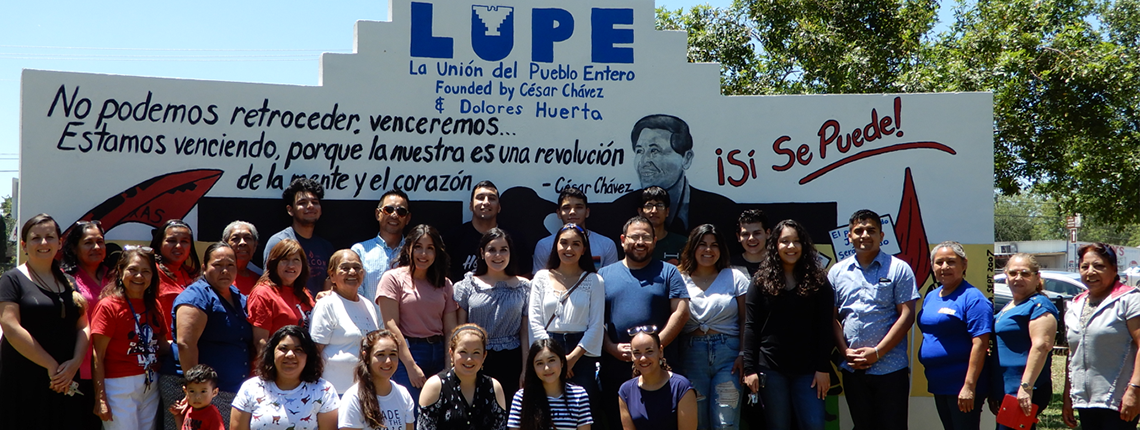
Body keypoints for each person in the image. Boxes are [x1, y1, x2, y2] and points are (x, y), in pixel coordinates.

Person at [829, 209, 919, 430]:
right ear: (849, 236)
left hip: (890, 368)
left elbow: (907, 316)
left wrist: (878, 352)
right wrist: (845, 351)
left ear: (881, 235)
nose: (865, 235)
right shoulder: (837, 272)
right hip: (853, 369)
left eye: (871, 230)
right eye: (858, 231)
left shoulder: (899, 268)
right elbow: (831, 318)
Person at [0, 214, 91, 429]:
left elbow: (84, 325)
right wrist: (52, 366)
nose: (43, 243)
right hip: (24, 379)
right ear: (24, 245)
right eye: (36, 238)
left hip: (64, 380)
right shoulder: (11, 280)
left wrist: (75, 363)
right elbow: (11, 328)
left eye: (50, 237)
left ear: (59, 243)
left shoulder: (69, 282)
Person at [743, 219, 834, 430]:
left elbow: (825, 327)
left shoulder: (819, 281)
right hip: (771, 369)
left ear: (804, 245)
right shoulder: (760, 281)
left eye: (796, 241)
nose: (791, 247)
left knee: (814, 425)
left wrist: (822, 368)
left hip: (809, 372)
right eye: (785, 241)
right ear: (775, 245)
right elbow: (751, 326)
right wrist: (749, 369)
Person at [601, 216, 690, 430]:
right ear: (623, 240)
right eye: (634, 237)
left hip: (661, 371)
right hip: (617, 369)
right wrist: (609, 347)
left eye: (646, 237)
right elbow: (593, 320)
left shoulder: (669, 272)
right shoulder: (603, 275)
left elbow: (681, 311)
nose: (640, 242)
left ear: (655, 240)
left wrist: (654, 349)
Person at [160, 242, 253, 430]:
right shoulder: (196, 296)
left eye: (230, 265)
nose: (225, 271)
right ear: (204, 267)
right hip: (195, 392)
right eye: (218, 265)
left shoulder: (237, 296)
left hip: (224, 391)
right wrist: (194, 392)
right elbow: (186, 344)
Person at [528, 223, 605, 421]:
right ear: (556, 246)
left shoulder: (595, 280)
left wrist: (571, 359)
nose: (568, 249)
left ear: (584, 249)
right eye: (563, 243)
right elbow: (534, 321)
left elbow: (596, 325)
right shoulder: (541, 277)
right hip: (547, 348)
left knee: (581, 412)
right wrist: (555, 357)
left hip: (581, 352)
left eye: (575, 244)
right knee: (545, 409)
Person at [676, 224, 749, 430]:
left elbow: (746, 320)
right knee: (696, 422)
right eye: (702, 244)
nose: (708, 250)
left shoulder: (735, 277)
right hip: (691, 355)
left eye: (714, 245)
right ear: (692, 247)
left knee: (725, 423)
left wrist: (743, 353)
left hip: (729, 356)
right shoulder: (679, 278)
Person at [92, 246, 171, 430]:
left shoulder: (154, 305)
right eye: (133, 270)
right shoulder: (108, 306)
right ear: (120, 271)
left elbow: (162, 345)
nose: (139, 276)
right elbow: (98, 355)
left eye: (145, 271)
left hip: (151, 384)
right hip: (119, 386)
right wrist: (100, 397)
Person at [377, 224, 458, 403]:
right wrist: (411, 365)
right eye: (419, 247)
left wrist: (449, 366)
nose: (424, 254)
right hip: (409, 351)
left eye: (430, 249)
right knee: (411, 411)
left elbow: (451, 329)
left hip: (439, 351)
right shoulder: (392, 278)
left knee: (438, 413)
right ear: (409, 249)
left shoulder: (444, 284)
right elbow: (391, 325)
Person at [1062, 243, 1140, 429]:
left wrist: (1135, 390)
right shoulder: (1075, 304)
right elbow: (1073, 354)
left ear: (1114, 269)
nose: (1091, 272)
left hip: (1119, 400)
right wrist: (1068, 397)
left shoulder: (1129, 299)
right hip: (1086, 400)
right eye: (1084, 267)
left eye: (1099, 266)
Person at [917, 241, 993, 430]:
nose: (944, 267)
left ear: (964, 264)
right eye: (939, 262)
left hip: (961, 385)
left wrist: (968, 386)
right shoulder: (932, 296)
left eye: (951, 262)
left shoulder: (973, 299)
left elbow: (980, 345)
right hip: (939, 383)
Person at [454, 228, 531, 395]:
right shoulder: (467, 285)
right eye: (492, 250)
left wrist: (526, 369)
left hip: (512, 360)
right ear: (482, 253)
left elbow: (525, 332)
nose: (498, 255)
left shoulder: (523, 287)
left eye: (503, 250)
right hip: (475, 358)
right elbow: (459, 330)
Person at [989, 253, 1057, 430]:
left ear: (1037, 277)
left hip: (1024, 388)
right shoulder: (1012, 304)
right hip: (1006, 389)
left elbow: (1041, 346)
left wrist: (1025, 387)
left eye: (1025, 273)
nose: (1018, 278)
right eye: (1013, 273)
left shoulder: (1039, 305)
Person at [231, 325, 339, 430]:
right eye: (284, 348)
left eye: (298, 350)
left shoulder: (324, 390)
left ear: (308, 356)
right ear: (272, 353)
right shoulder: (250, 388)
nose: (290, 355)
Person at [61, 218, 112, 426]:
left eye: (100, 242)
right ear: (74, 248)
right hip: (79, 368)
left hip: (114, 369)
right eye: (88, 242)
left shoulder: (114, 276)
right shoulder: (65, 279)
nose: (96, 247)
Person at [310, 250, 381, 395]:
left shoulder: (368, 305)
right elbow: (314, 352)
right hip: (334, 393)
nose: (352, 272)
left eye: (357, 267)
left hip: (365, 391)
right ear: (332, 275)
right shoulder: (327, 304)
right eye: (345, 268)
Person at [417, 324, 508, 430]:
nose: (469, 359)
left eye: (476, 353)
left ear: (484, 356)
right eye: (463, 352)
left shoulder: (494, 388)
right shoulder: (435, 386)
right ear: (451, 354)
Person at [264, 177, 335, 297]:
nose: (310, 206)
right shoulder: (279, 242)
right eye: (302, 203)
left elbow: (330, 283)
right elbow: (269, 285)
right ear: (290, 210)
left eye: (315, 202)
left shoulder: (326, 246)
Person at [448, 181, 532, 281]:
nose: (486, 202)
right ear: (470, 206)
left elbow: (525, 277)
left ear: (499, 207)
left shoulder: (515, 239)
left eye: (492, 198)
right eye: (480, 198)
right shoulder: (453, 238)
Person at [618, 327, 698, 430]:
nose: (643, 358)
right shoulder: (625, 391)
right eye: (637, 353)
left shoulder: (681, 387)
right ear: (632, 356)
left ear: (660, 352)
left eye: (649, 351)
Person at [507, 339, 593, 430]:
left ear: (562, 362)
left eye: (551, 360)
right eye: (540, 363)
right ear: (533, 368)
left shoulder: (579, 395)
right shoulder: (521, 398)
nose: (547, 368)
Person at [339, 330, 415, 430]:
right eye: (380, 355)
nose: (388, 361)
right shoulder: (353, 398)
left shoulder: (403, 394)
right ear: (366, 357)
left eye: (393, 354)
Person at [532, 187, 619, 274]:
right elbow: (540, 282)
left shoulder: (606, 244)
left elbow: (610, 281)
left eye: (579, 207)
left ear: (587, 212)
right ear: (558, 213)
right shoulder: (544, 245)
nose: (572, 212)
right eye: (566, 208)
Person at [248, 239, 315, 353]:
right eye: (285, 260)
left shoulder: (304, 293)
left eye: (296, 260)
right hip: (276, 367)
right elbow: (260, 342)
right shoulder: (263, 293)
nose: (291, 265)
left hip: (299, 365)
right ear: (274, 263)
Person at [353, 189, 411, 303]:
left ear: (407, 218)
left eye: (401, 212)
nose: (394, 215)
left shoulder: (415, 252)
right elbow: (354, 294)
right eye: (388, 210)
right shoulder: (360, 251)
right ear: (377, 214)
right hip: (367, 320)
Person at [151, 219, 201, 330]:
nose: (178, 246)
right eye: (172, 240)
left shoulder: (194, 275)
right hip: (160, 344)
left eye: (184, 241)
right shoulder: (150, 272)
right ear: (159, 244)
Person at [638, 186, 688, 265]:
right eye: (649, 206)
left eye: (659, 205)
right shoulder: (635, 243)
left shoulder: (682, 243)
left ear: (667, 211)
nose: (654, 211)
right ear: (640, 212)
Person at [170, 364, 226, 430]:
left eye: (203, 391)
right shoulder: (190, 410)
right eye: (192, 391)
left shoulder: (212, 415)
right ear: (185, 391)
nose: (197, 397)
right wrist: (178, 416)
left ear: (214, 392)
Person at [223, 221, 261, 295]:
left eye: (247, 238)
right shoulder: (217, 276)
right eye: (235, 238)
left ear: (255, 245)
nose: (242, 243)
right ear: (225, 244)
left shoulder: (259, 281)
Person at [729, 210, 770, 276]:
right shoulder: (729, 267)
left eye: (757, 233)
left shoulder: (779, 263)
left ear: (767, 233)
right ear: (738, 237)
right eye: (745, 234)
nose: (751, 238)